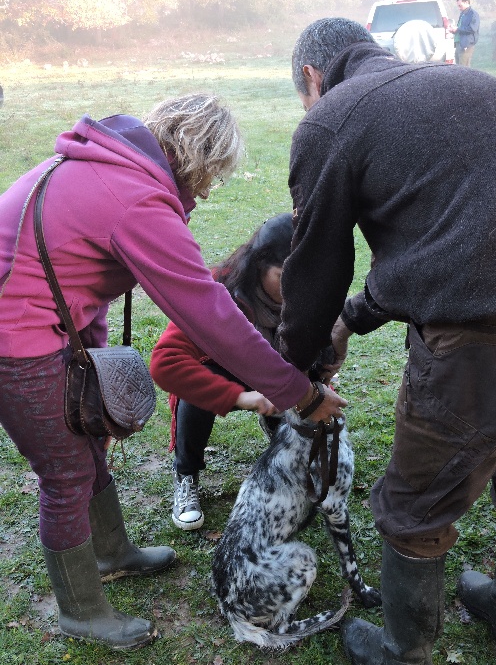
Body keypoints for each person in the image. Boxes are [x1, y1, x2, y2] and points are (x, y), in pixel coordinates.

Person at [0, 93, 346, 650]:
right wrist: (297, 394)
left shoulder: (103, 166)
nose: (209, 191)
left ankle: (113, 552)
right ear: (196, 158)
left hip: (41, 327)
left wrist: (90, 349)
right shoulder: (136, 200)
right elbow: (207, 311)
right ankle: (81, 611)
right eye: (213, 175)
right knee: (64, 477)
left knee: (86, 452)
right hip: (16, 340)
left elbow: (76, 272)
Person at [278, 17, 496, 665]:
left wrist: (300, 366)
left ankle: (403, 653)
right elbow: (445, 247)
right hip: (482, 304)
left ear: (311, 78)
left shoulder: (331, 119)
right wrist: (352, 322)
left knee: (413, 508)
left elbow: (314, 267)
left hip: (479, 342)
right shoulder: (470, 85)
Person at [151, 212, 304, 531]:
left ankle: (279, 425)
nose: (295, 289)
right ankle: (186, 474)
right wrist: (243, 397)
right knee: (196, 391)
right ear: (261, 264)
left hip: (278, 370)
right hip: (226, 373)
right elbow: (167, 361)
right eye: (285, 276)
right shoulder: (216, 289)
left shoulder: (311, 291)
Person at [450, 0, 480, 66]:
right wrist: (454, 29)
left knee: (464, 70)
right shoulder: (463, 14)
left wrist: (458, 29)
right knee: (459, 68)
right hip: (458, 44)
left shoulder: (473, 14)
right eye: (458, 6)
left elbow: (473, 28)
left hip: (466, 45)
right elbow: (461, 28)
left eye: (460, 5)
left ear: (466, 2)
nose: (459, 8)